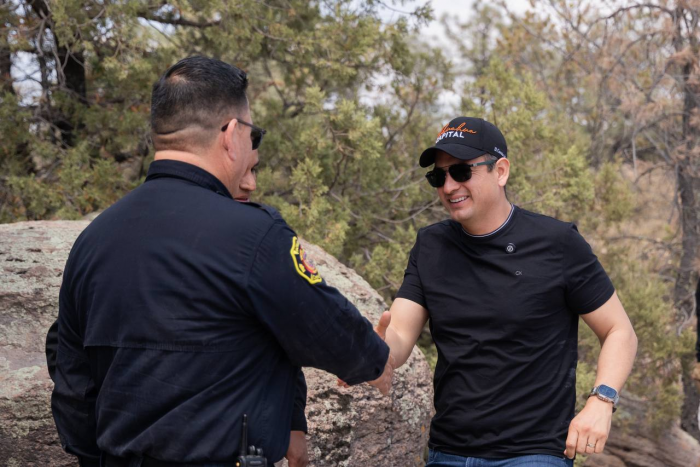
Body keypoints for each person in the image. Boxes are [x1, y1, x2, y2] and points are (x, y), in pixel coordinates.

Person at [48, 56, 393, 467]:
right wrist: (376, 360)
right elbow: (331, 332)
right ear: (231, 134)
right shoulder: (253, 236)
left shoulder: (93, 241)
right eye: (253, 134)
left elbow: (71, 378)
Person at [374, 116, 638, 466]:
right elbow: (399, 335)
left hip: (533, 454)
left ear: (500, 171)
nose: (449, 186)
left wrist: (601, 401)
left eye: (462, 172)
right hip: (448, 452)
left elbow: (619, 331)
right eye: (439, 176)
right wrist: (370, 352)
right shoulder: (430, 245)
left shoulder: (557, 243)